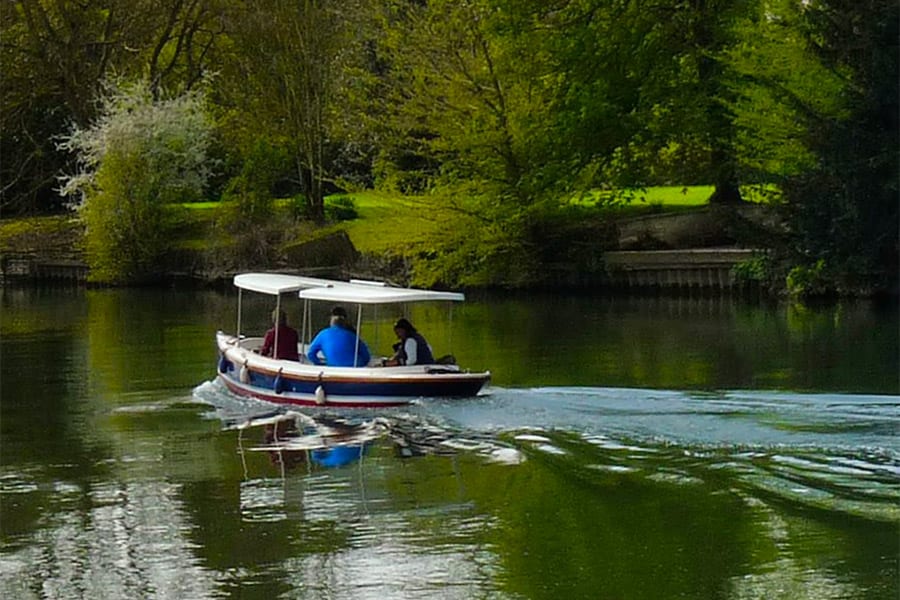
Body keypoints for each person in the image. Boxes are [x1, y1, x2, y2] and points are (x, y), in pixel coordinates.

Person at [306, 312, 371, 367]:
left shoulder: (323, 334)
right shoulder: (353, 336)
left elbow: (310, 354)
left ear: (331, 322)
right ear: (345, 323)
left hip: (334, 367)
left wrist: (320, 363)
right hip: (355, 367)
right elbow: (366, 356)